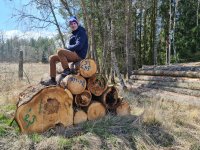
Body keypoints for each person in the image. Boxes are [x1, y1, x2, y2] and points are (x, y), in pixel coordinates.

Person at [41, 16, 88, 86]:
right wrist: (67, 48)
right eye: (71, 24)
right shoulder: (73, 35)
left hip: (79, 56)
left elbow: (79, 46)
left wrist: (68, 48)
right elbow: (70, 48)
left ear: (77, 24)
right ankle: (53, 80)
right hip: (73, 55)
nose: (73, 25)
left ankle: (67, 70)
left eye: (74, 23)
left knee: (60, 51)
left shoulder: (81, 32)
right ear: (70, 25)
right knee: (52, 58)